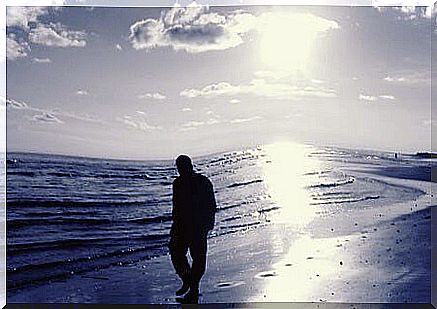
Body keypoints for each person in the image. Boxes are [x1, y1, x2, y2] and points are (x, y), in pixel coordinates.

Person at [169, 155, 217, 303]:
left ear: (189, 165)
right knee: (177, 254)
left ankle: (193, 288)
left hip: (198, 226)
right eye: (179, 167)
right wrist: (174, 226)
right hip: (182, 226)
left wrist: (209, 224)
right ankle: (188, 281)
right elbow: (176, 207)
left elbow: (211, 204)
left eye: (181, 166)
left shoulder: (203, 181)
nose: (180, 170)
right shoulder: (177, 183)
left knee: (198, 259)